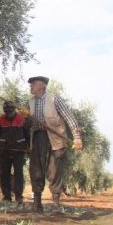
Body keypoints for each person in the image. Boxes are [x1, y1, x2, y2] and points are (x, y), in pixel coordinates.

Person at [25, 76, 83, 212]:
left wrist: (77, 137)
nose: (30, 86)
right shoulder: (29, 103)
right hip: (37, 138)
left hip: (55, 139)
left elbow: (69, 117)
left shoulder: (54, 99)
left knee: (54, 170)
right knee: (36, 170)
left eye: (33, 84)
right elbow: (25, 123)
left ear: (42, 86)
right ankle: (37, 203)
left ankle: (56, 204)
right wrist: (23, 116)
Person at [0, 100, 29, 203]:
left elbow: (27, 135)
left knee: (19, 173)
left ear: (14, 110)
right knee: (4, 173)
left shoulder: (21, 119)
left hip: (19, 151)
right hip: (4, 151)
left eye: (10, 112)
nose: (8, 114)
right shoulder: (0, 120)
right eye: (6, 112)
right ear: (4, 111)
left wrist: (28, 146)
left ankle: (19, 197)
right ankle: (7, 197)